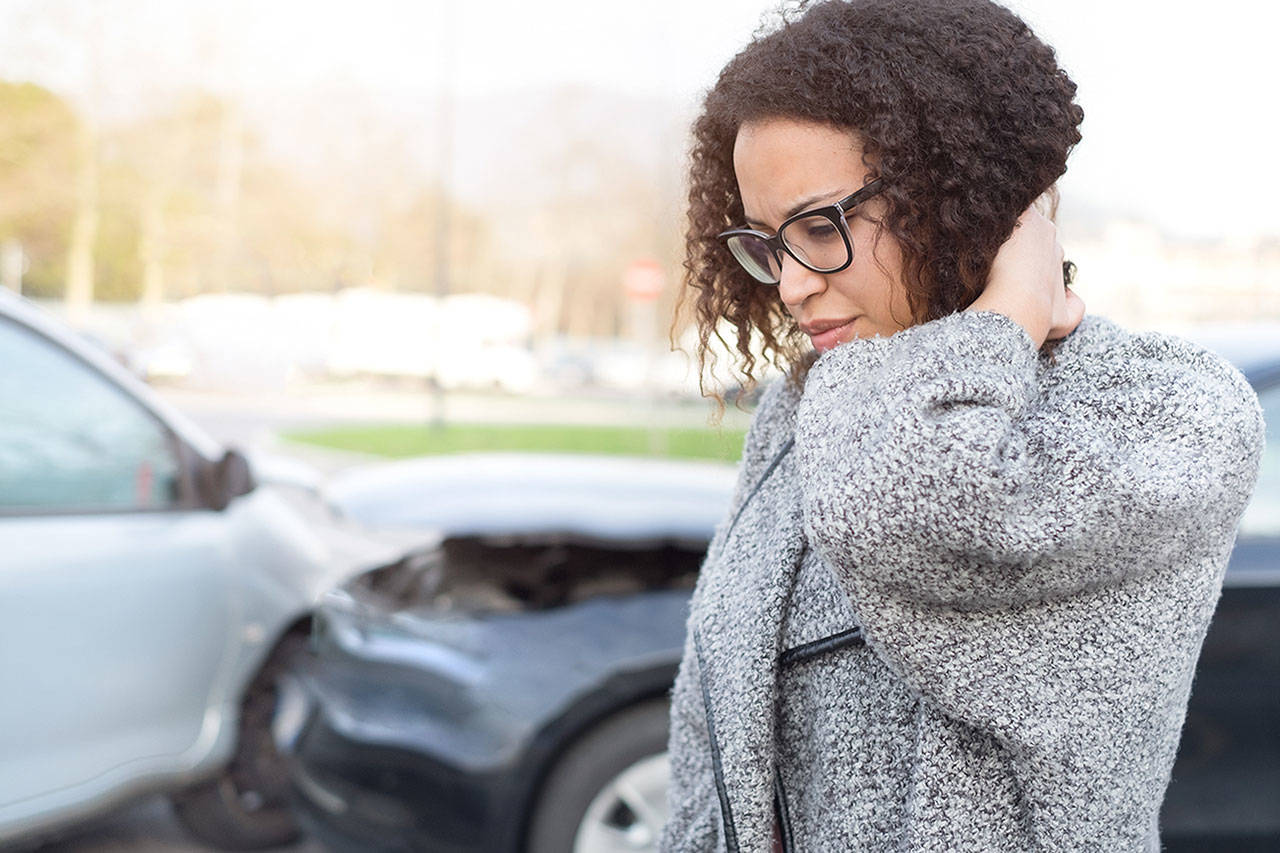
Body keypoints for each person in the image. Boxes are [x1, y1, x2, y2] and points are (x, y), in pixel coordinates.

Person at [658, 1, 1266, 851]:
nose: (790, 286)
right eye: (765, 244)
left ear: (959, 194)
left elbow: (917, 508)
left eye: (820, 227)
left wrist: (1008, 309)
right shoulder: (812, 409)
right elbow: (709, 760)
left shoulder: (1167, 410)